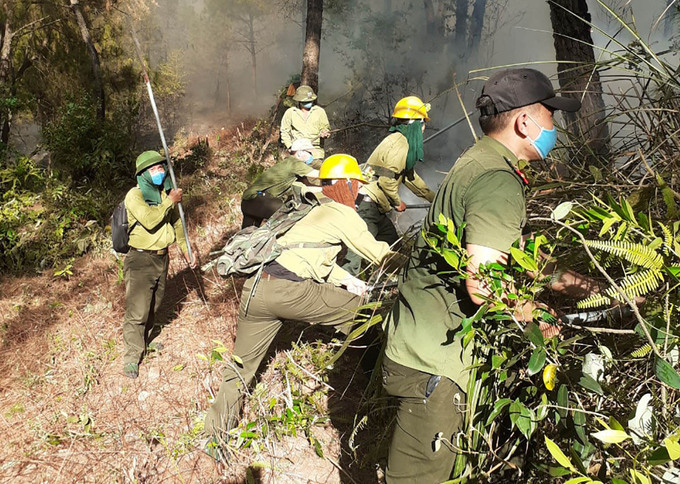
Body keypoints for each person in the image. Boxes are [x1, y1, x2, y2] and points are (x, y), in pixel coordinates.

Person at [381, 68, 602, 483]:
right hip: (435, 363)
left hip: (418, 343)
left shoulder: (479, 159)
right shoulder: (498, 180)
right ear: (525, 122)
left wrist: (595, 291)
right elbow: (484, 283)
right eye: (551, 116)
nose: (555, 127)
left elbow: (507, 254)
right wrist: (535, 316)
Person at [204, 154, 402, 455]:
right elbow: (380, 256)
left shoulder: (311, 208)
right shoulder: (342, 213)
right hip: (290, 291)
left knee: (240, 368)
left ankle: (214, 439)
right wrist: (419, 263)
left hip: (257, 289)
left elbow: (307, 252)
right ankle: (377, 396)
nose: (360, 193)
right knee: (367, 314)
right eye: (357, 187)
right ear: (345, 184)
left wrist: (347, 280)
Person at [122, 150, 196, 379]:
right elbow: (151, 220)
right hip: (141, 259)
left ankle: (145, 341)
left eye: (161, 168)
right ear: (143, 174)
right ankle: (132, 356)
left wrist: (186, 250)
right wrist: (169, 201)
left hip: (162, 258)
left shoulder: (164, 194)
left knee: (154, 304)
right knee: (137, 309)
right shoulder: (135, 196)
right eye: (153, 169)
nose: (159, 172)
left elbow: (177, 226)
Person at [343, 96, 436, 276]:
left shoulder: (400, 142)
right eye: (423, 123)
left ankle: (384, 284)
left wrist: (435, 198)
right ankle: (343, 294)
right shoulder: (399, 144)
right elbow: (386, 180)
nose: (424, 128)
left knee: (391, 243)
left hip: (375, 207)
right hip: (366, 205)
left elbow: (410, 178)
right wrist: (397, 202)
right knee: (356, 255)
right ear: (415, 124)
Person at [240, 138, 319, 229]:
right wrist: (337, 175)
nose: (311, 156)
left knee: (247, 236)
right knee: (289, 216)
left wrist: (327, 188)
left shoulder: (289, 164)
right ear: (300, 153)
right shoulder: (294, 163)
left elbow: (308, 187)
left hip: (248, 201)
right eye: (309, 153)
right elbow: (319, 174)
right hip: (257, 198)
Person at [280, 85, 331, 163]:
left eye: (310, 101)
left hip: (316, 153)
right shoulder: (291, 112)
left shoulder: (319, 112)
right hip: (297, 153)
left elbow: (326, 128)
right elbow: (284, 131)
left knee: (319, 171)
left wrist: (325, 133)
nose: (309, 103)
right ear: (299, 101)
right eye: (306, 101)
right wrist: (290, 147)